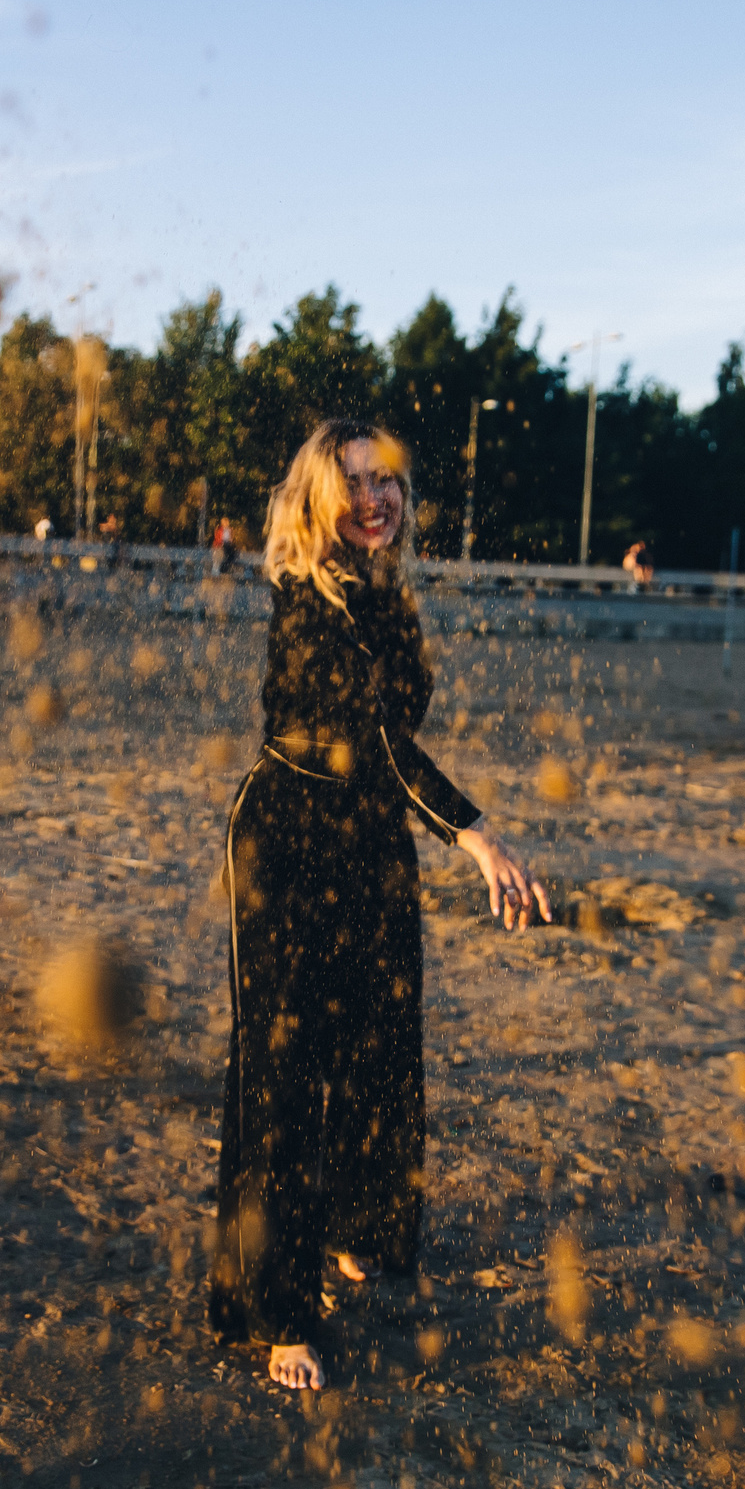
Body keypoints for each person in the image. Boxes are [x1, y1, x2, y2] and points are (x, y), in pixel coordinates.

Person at [214, 419, 552, 1391]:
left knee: (376, 1044)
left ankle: (355, 1230)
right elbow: (380, 745)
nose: (374, 498)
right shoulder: (308, 603)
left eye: (387, 481)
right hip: (287, 845)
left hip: (371, 842)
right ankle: (279, 1311)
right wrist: (477, 836)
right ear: (319, 498)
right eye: (353, 482)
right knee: (285, 1076)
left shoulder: (384, 594)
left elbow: (393, 742)